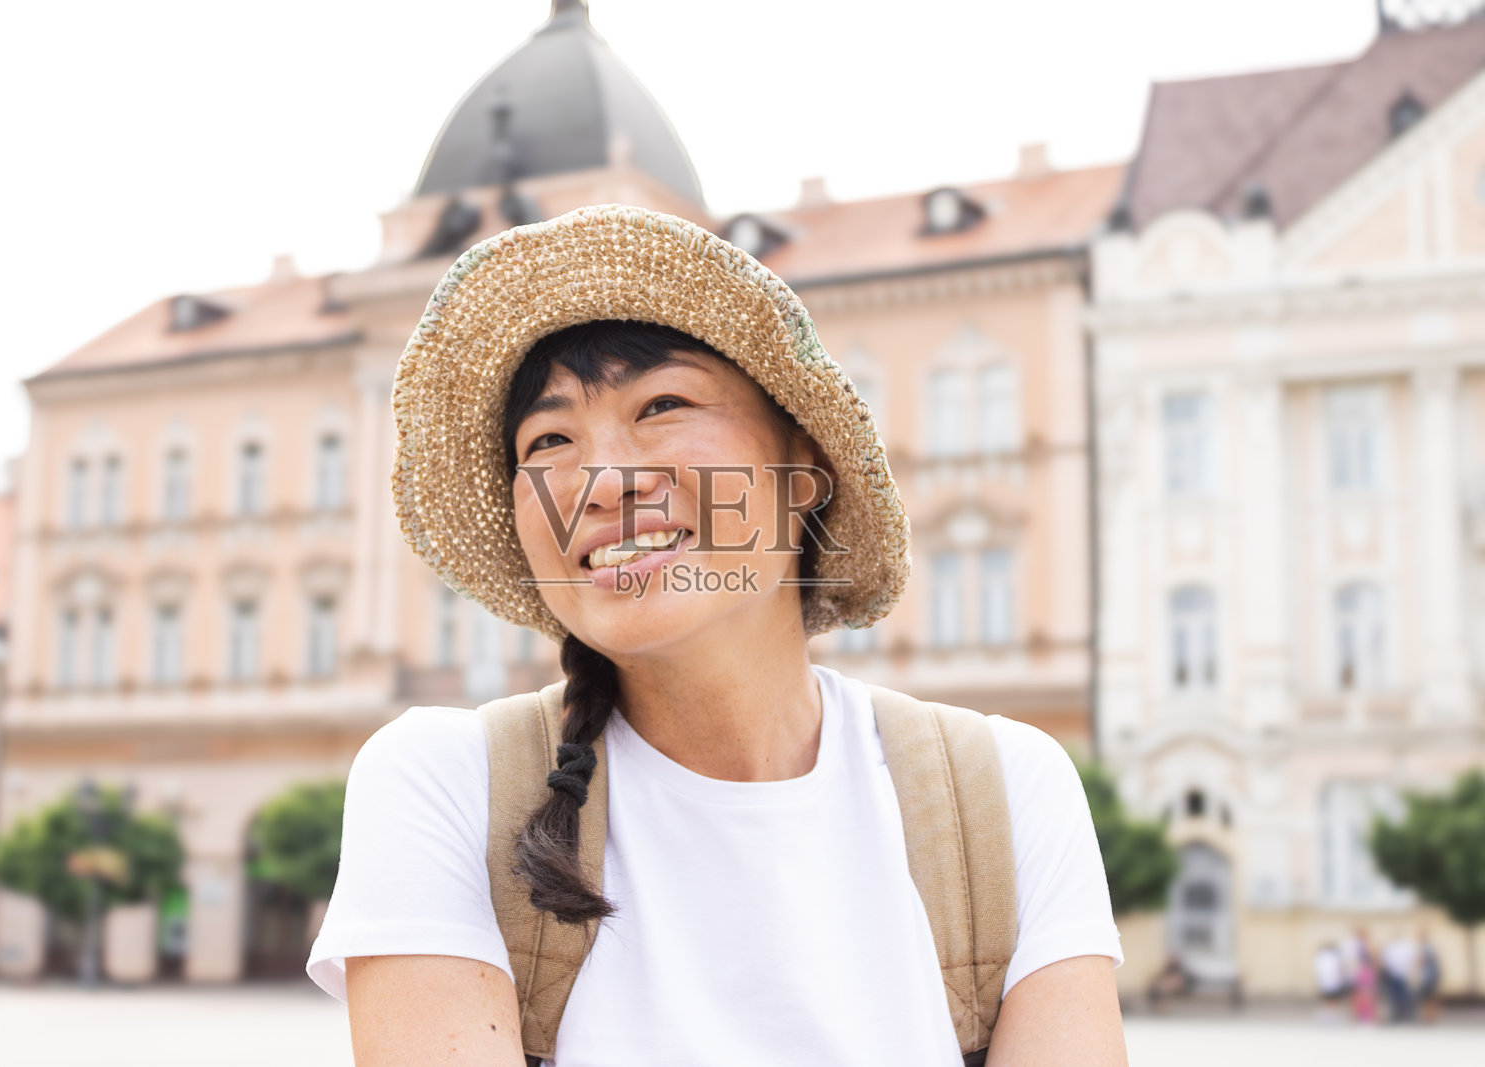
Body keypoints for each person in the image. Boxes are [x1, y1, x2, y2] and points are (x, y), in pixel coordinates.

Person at [305, 205, 1127, 1065]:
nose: (602, 481)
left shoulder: (1002, 793)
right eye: (548, 439)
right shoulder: (448, 785)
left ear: (803, 467)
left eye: (661, 404)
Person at [1380, 931, 1417, 1022]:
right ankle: (1398, 1015)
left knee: (1402, 996)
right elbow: (1385, 961)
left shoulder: (1405, 947)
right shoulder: (1391, 947)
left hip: (1402, 975)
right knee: (1396, 997)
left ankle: (1404, 1015)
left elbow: (1411, 960)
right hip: (1394, 975)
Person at [1312, 940, 1349, 1023]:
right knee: (1332, 1000)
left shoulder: (1320, 956)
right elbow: (1340, 969)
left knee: (1328, 999)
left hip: (1324, 982)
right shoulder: (1334, 957)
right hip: (1333, 981)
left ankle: (1327, 1016)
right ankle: (1330, 1016)